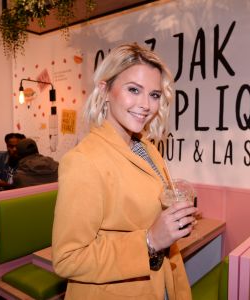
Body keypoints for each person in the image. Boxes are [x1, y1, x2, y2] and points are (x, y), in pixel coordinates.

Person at [52, 43, 196, 300]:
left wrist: (171, 200)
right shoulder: (83, 160)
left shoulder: (147, 148)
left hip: (159, 284)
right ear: (104, 90)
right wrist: (150, 241)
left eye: (154, 95)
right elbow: (67, 259)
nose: (146, 105)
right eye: (133, 90)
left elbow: (134, 209)